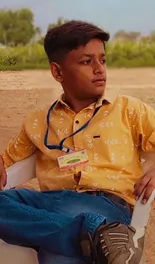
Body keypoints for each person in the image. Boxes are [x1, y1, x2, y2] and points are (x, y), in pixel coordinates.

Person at [0, 20, 155, 264]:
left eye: (102, 60)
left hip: (106, 204)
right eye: (86, 61)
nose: (99, 69)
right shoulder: (38, 121)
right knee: (70, 240)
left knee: (58, 253)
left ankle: (88, 230)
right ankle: (91, 233)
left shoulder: (128, 109)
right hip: (51, 201)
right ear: (57, 72)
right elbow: (7, 160)